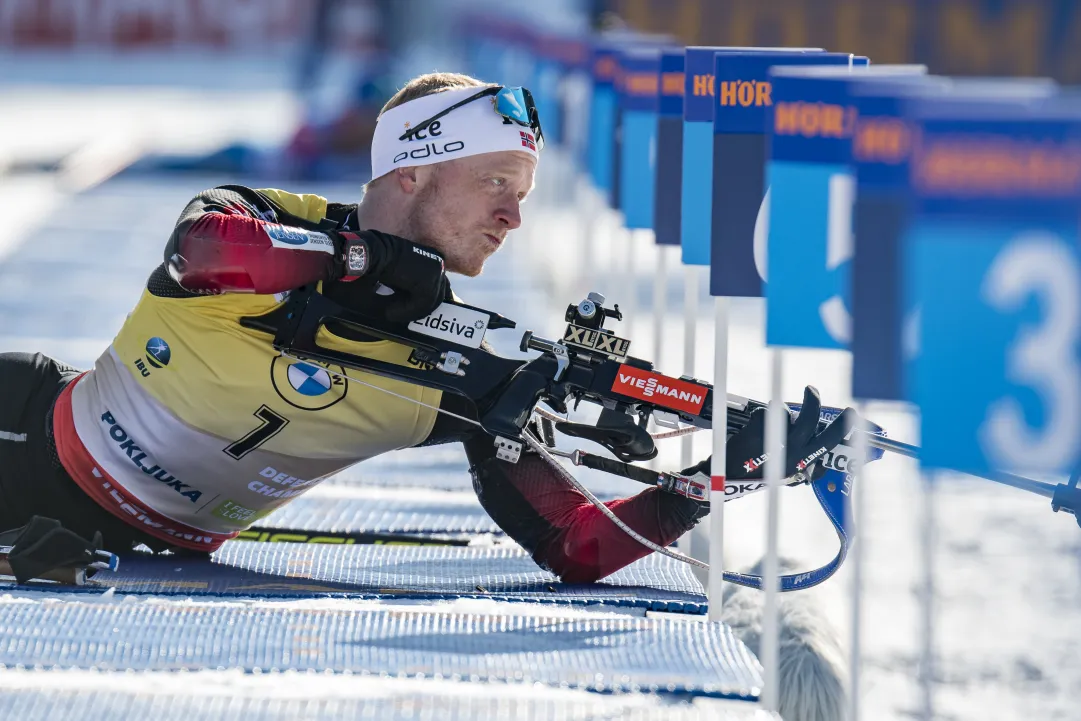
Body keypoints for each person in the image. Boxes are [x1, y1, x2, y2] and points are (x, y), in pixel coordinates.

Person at [0, 72, 856, 583]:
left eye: (523, 194)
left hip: (142, 542)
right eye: (495, 184)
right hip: (27, 435)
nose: (512, 216)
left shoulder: (468, 358)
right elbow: (206, 249)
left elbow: (571, 544)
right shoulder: (269, 214)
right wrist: (363, 266)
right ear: (410, 173)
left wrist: (699, 486)